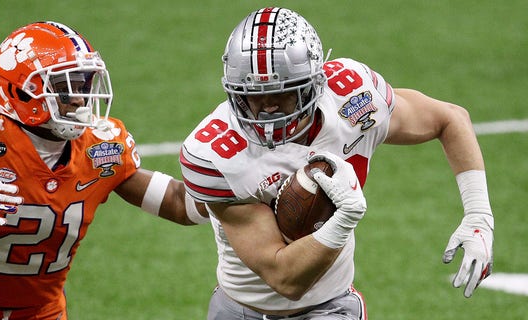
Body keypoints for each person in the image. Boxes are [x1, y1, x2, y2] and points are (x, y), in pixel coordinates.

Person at [180, 7, 494, 319]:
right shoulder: (215, 151)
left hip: (328, 307)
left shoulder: (353, 98)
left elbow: (450, 119)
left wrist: (479, 217)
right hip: (240, 310)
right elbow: (284, 279)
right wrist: (129, 177)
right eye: (254, 95)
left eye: (282, 92)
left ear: (312, 84)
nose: (267, 108)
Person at [0, 21, 208, 320]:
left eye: (82, 84)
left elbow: (176, 202)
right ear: (21, 91)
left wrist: (229, 189)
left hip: (45, 312)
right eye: (64, 87)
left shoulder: (101, 147)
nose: (80, 98)